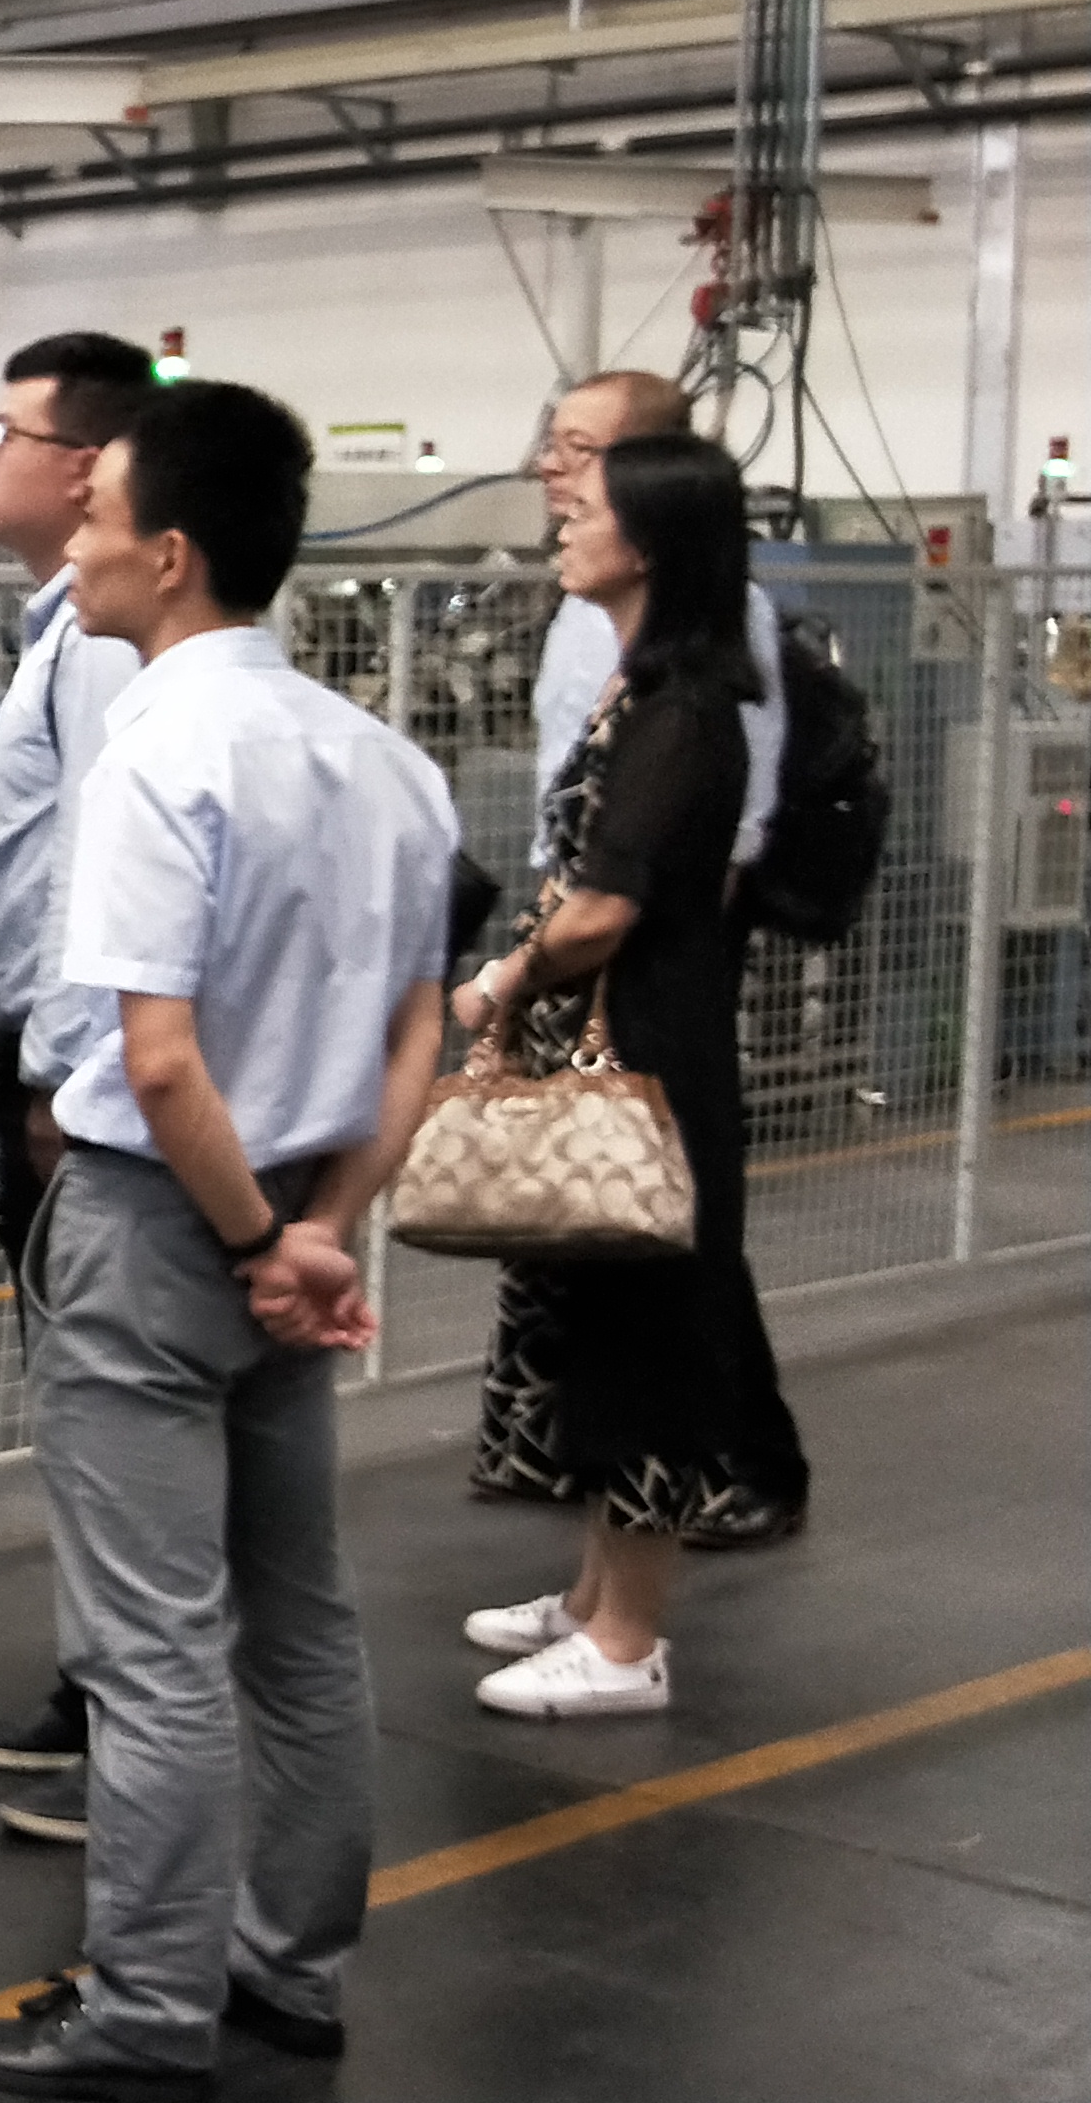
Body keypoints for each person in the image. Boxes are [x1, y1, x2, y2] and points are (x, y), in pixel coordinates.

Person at [0, 379, 454, 2100]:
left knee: (149, 1646)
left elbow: (156, 1060)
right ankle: (290, 1971)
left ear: (167, 554)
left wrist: (246, 1242)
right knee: (299, 1625)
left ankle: (147, 2008)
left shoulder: (158, 752)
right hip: (297, 1218)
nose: (72, 544)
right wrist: (323, 1233)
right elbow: (418, 1037)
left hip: (169, 1230)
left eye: (96, 518)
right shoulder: (383, 761)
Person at [447, 430, 788, 1723]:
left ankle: (629, 1641)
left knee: (648, 1340)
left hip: (650, 1060)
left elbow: (601, 910)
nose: (561, 520)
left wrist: (501, 981)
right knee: (592, 1328)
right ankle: (595, 1599)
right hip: (615, 1050)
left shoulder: (683, 712)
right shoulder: (638, 691)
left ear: (647, 541)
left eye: (583, 503)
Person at [0, 331, 161, 1841]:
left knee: (112, 1409)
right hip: (46, 1051)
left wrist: (63, 1076)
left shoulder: (112, 639)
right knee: (75, 1401)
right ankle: (102, 1696)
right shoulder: (68, 628)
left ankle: (139, 1744)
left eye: (4, 433)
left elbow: (104, 868)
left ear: (85, 470)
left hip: (80, 1076)